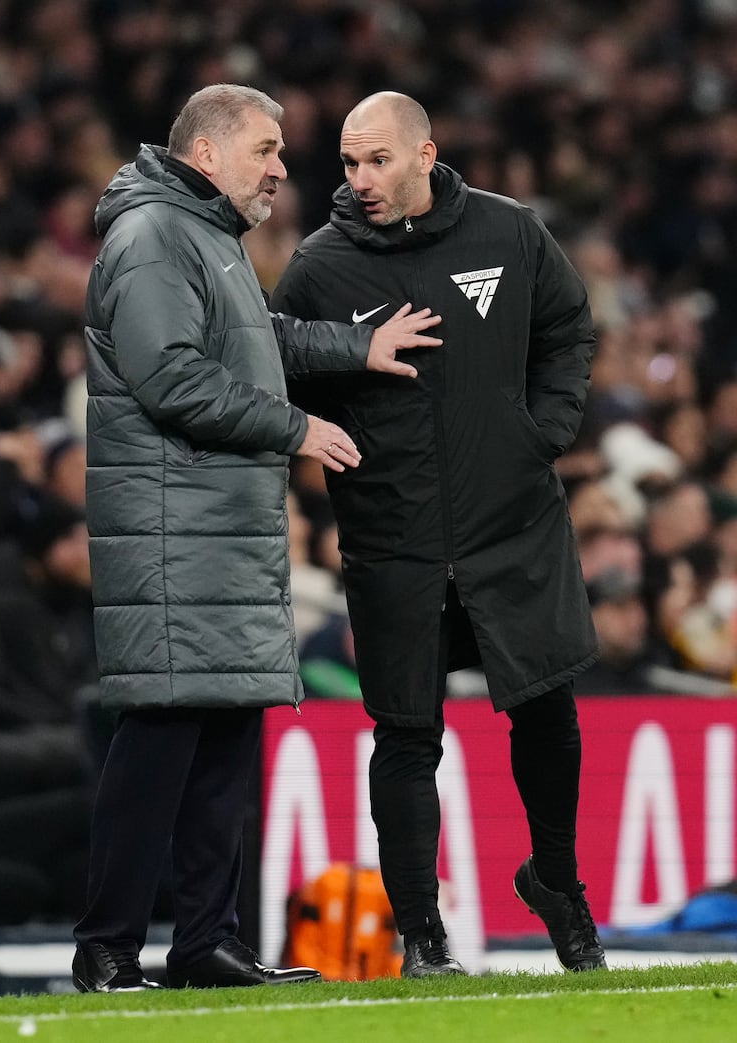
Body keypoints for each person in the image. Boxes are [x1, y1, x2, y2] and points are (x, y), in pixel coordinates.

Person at [72, 83, 442, 994]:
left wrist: (354, 348)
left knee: (225, 739)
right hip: (173, 530)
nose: (283, 168)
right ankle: (108, 945)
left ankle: (207, 941)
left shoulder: (200, 237)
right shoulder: (153, 236)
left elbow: (254, 340)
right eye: (266, 150)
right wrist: (296, 428)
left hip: (216, 532)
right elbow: (171, 378)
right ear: (208, 155)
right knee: (162, 735)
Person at [271, 91, 607, 976]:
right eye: (348, 163)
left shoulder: (509, 233)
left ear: (427, 154)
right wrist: (346, 353)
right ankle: (421, 936)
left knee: (547, 706)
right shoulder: (319, 265)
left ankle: (560, 890)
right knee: (407, 733)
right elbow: (268, 359)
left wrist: (544, 429)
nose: (360, 180)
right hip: (396, 534)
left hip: (512, 524)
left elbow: (568, 327)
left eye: (378, 160)